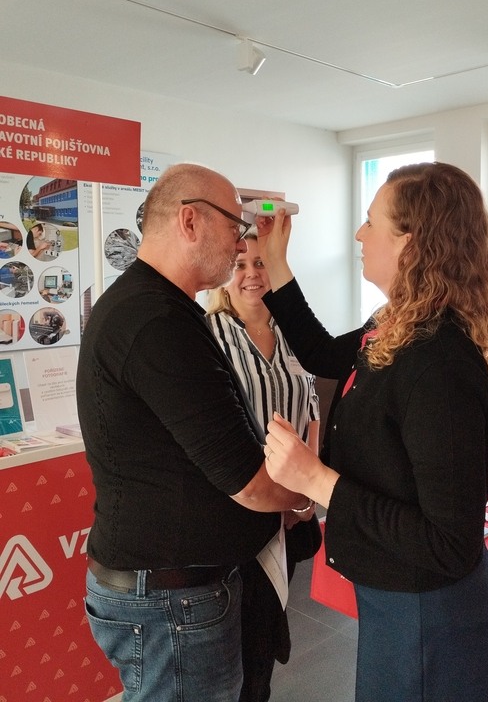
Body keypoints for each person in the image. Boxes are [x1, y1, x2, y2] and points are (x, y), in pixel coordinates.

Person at [257, 161, 488, 702]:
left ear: (411, 242)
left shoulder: (439, 361)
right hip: (399, 597)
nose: (359, 234)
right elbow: (325, 354)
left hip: (431, 614)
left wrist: (316, 479)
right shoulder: (397, 325)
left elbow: (449, 543)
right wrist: (276, 264)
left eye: (371, 222)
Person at [76, 163, 313, 702]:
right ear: (190, 221)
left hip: (170, 586)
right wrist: (306, 495)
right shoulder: (155, 321)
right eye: (234, 226)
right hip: (171, 598)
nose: (240, 243)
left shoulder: (157, 308)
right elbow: (247, 482)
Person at [205, 232, 321, 702]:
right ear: (224, 276)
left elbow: (312, 411)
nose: (252, 274)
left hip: (290, 513)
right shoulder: (210, 335)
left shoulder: (293, 332)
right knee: (236, 638)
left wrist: (307, 493)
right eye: (240, 264)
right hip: (239, 510)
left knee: (267, 632)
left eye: (260, 263)